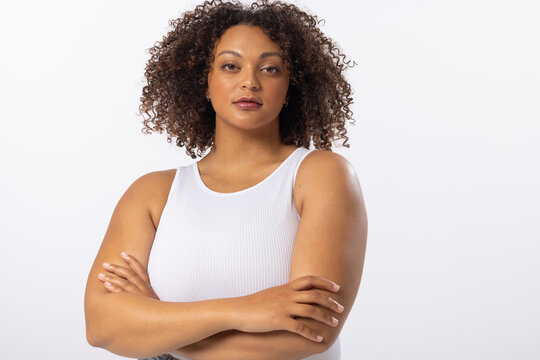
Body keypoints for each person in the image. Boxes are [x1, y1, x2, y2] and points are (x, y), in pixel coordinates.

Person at [83, 0, 368, 359]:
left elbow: (311, 332)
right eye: (231, 66)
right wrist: (245, 309)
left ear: (291, 86)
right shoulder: (152, 194)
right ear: (204, 81)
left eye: (270, 69)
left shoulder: (320, 175)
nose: (249, 81)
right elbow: (101, 326)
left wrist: (158, 324)